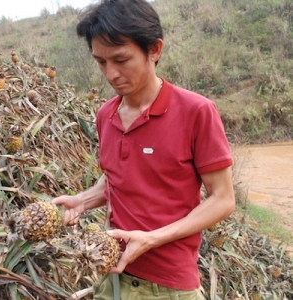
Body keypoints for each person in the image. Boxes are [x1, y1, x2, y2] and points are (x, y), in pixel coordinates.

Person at [52, 0, 236, 299]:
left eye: (121, 60)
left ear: (154, 50)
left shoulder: (196, 112)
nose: (110, 74)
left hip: (168, 285)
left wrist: (152, 239)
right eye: (101, 62)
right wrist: (83, 201)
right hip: (112, 275)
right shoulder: (105, 116)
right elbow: (120, 177)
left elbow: (223, 199)